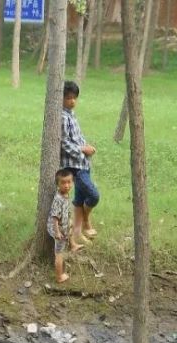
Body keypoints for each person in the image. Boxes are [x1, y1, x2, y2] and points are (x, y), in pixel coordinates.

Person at [61, 80, 100, 244]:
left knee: (79, 200)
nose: (72, 101)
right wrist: (83, 150)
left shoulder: (71, 114)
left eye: (74, 98)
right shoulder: (62, 117)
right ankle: (86, 221)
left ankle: (77, 234)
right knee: (93, 195)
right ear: (61, 98)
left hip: (83, 163)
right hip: (74, 166)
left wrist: (86, 147)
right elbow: (63, 142)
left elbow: (76, 138)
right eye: (68, 98)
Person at [49, 168, 82, 283]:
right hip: (58, 231)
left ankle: (73, 245)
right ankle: (59, 276)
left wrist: (69, 220)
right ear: (57, 184)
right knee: (59, 254)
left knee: (71, 226)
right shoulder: (58, 199)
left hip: (64, 225)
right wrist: (57, 232)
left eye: (69, 182)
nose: (67, 185)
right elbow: (54, 217)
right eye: (63, 183)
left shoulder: (65, 194)